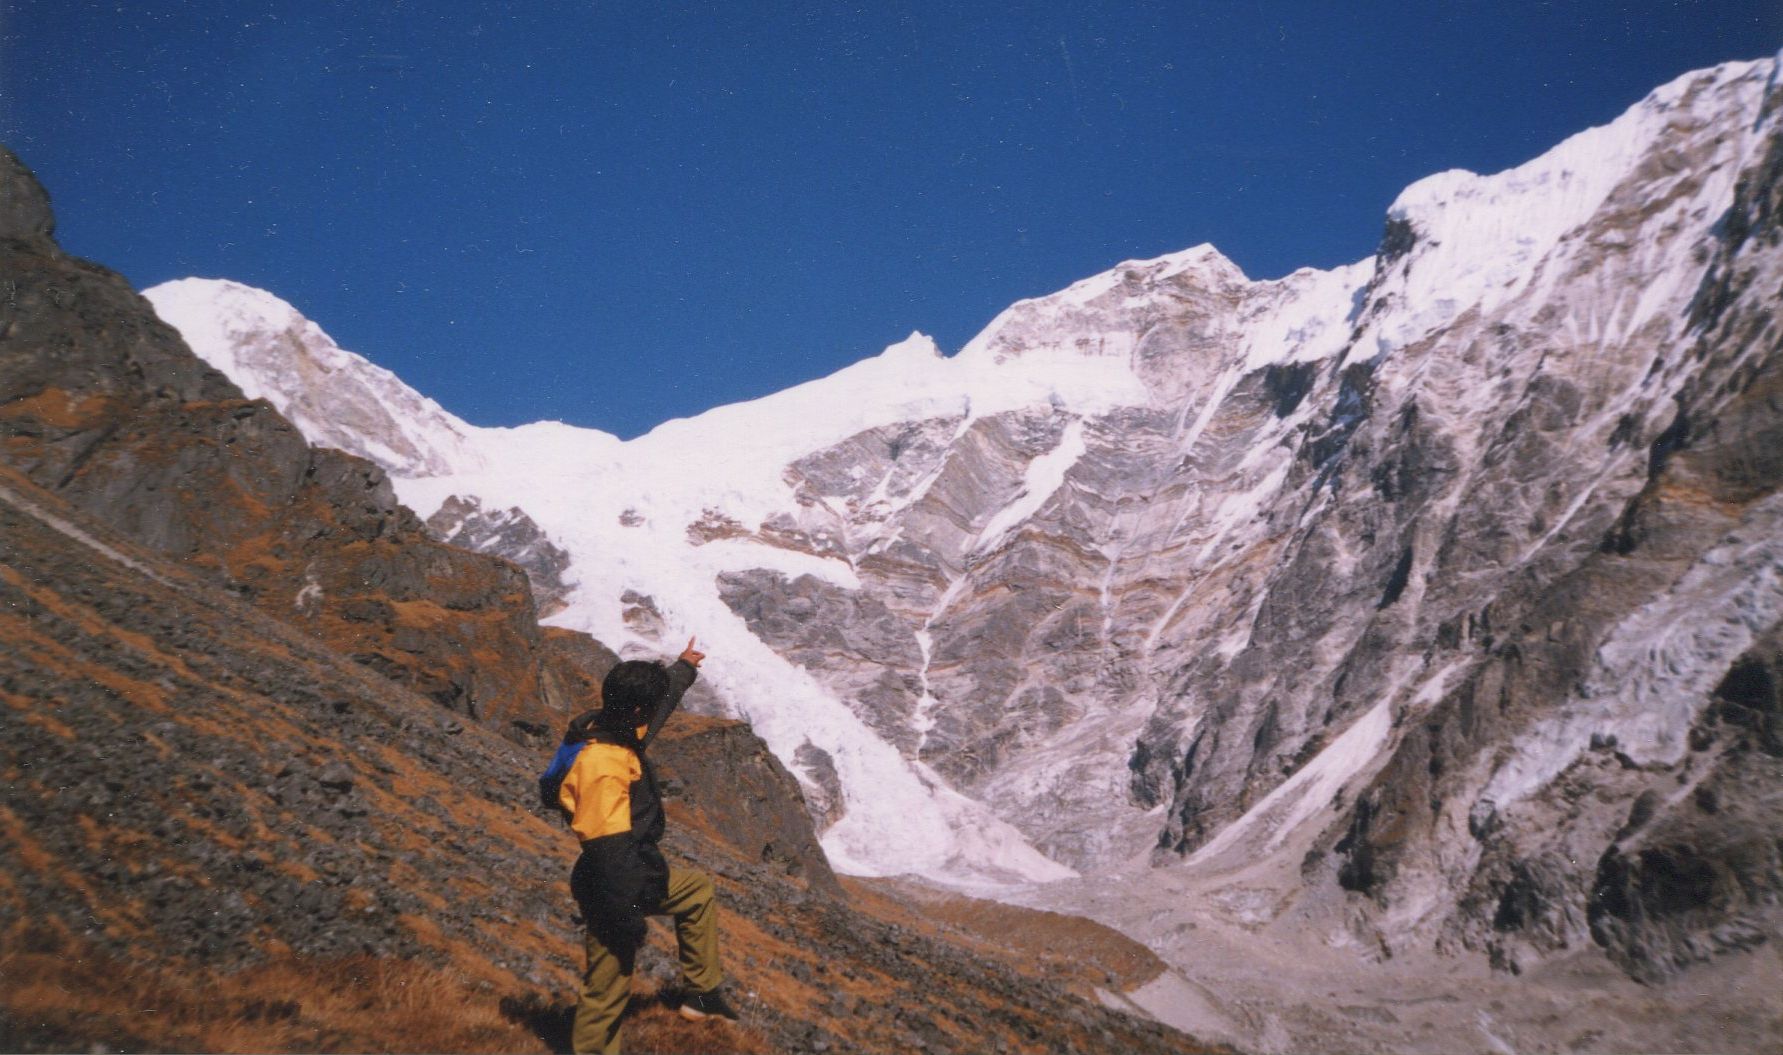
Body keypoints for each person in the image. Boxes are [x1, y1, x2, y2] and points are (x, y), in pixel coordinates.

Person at [549, 637, 739, 1054]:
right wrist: (628, 916)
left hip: (633, 868)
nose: (651, 714)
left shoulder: (609, 725)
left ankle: (702, 996)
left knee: (696, 891)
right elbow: (607, 852)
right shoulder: (603, 766)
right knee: (607, 988)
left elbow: (658, 704)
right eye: (647, 708)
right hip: (610, 882)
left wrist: (684, 668)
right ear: (636, 709)